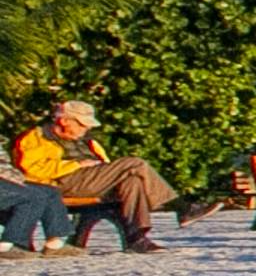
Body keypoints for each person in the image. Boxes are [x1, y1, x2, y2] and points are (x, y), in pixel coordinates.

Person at [15, 101, 170, 253]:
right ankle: (177, 205)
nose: (87, 128)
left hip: (90, 182)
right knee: (134, 164)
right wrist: (76, 165)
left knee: (132, 180)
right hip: (60, 182)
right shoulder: (37, 137)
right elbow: (32, 170)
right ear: (64, 121)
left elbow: (105, 164)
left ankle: (137, 237)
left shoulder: (88, 141)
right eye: (82, 124)